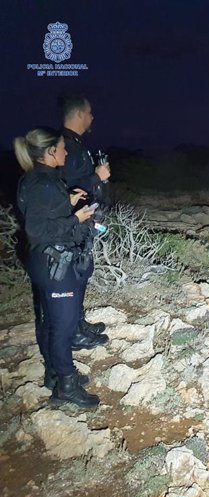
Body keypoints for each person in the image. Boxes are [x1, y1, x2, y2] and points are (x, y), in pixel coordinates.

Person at [14, 127, 100, 407]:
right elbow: (37, 229)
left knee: (50, 322)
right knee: (62, 327)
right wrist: (76, 218)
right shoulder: (42, 183)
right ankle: (66, 384)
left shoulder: (40, 180)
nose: (65, 152)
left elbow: (45, 211)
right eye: (62, 148)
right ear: (50, 152)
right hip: (54, 264)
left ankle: (54, 375)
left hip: (45, 263)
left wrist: (68, 201)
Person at [59, 95, 110, 348]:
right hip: (74, 223)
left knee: (83, 272)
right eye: (89, 112)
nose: (92, 117)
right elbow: (66, 188)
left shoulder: (76, 144)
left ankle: (79, 323)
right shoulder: (65, 145)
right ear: (79, 114)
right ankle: (73, 332)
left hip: (84, 221)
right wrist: (96, 177)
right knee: (76, 274)